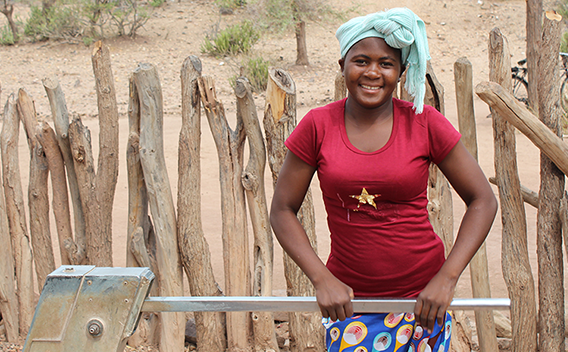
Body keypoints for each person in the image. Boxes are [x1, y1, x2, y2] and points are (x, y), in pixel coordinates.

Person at [269, 7, 498, 352]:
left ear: (402, 72)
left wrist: (446, 280)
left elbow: (483, 200)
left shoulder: (424, 123)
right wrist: (322, 279)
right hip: (349, 304)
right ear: (342, 65)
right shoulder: (317, 126)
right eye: (361, 61)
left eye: (386, 64)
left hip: (424, 304)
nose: (373, 73)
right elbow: (282, 209)